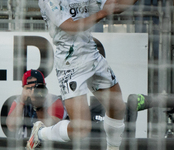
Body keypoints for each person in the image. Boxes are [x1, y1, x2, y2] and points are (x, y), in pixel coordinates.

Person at [26, 0, 138, 150]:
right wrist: (102, 13)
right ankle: (40, 133)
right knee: (81, 129)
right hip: (69, 62)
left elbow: (114, 4)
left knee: (117, 108)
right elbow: (70, 27)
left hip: (91, 53)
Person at [6, 69, 68, 138]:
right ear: (23, 89)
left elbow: (53, 128)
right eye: (29, 88)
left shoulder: (54, 100)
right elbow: (11, 127)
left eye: (37, 87)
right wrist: (21, 102)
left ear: (44, 86)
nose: (33, 91)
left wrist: (39, 106)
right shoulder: (19, 101)